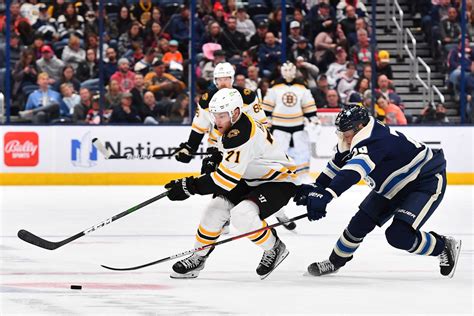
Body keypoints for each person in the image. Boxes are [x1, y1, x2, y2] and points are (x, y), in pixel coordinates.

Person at [294, 104, 462, 278]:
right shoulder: (354, 136)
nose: (344, 137)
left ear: (359, 127)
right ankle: (335, 262)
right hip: (392, 187)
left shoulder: (375, 140)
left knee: (398, 235)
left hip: (423, 181)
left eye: (347, 133)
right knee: (358, 224)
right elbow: (337, 165)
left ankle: (443, 246)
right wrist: (317, 187)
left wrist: (328, 195)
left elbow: (354, 170)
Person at [165, 88, 298, 279]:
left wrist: (189, 186)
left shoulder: (242, 133)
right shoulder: (232, 124)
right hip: (251, 177)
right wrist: (214, 156)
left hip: (279, 180)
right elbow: (226, 155)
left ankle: (274, 247)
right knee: (215, 209)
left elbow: (225, 180)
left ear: (235, 112)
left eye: (221, 116)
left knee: (242, 215)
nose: (216, 121)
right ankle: (199, 256)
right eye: (214, 116)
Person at [174, 62, 296, 231]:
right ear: (214, 80)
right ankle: (222, 219)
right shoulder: (207, 99)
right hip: (217, 148)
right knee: (215, 178)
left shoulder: (246, 96)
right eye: (219, 79)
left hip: (244, 147)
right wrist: (189, 147)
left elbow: (260, 123)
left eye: (226, 78)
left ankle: (279, 213)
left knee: (257, 181)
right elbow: (199, 126)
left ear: (232, 79)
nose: (223, 82)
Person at [262, 61, 318, 183]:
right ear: (281, 71)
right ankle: (279, 177)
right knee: (279, 152)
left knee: (302, 152)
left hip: (298, 126)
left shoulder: (302, 86)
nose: (288, 73)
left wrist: (312, 116)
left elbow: (307, 104)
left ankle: (303, 177)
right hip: (279, 126)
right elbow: (267, 106)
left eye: (290, 70)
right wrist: (266, 120)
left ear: (295, 71)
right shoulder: (274, 86)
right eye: (285, 70)